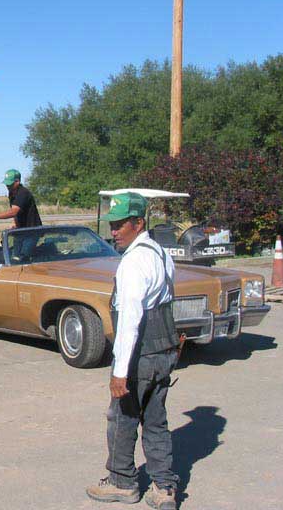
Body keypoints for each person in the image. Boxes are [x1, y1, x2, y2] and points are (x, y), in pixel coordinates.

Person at [86, 192, 180, 510]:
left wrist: (119, 371)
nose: (114, 231)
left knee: (122, 417)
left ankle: (122, 481)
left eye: (120, 225)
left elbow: (130, 319)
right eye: (112, 224)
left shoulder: (133, 263)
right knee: (156, 420)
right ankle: (164, 487)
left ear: (138, 223)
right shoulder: (160, 253)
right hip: (164, 348)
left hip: (142, 352)